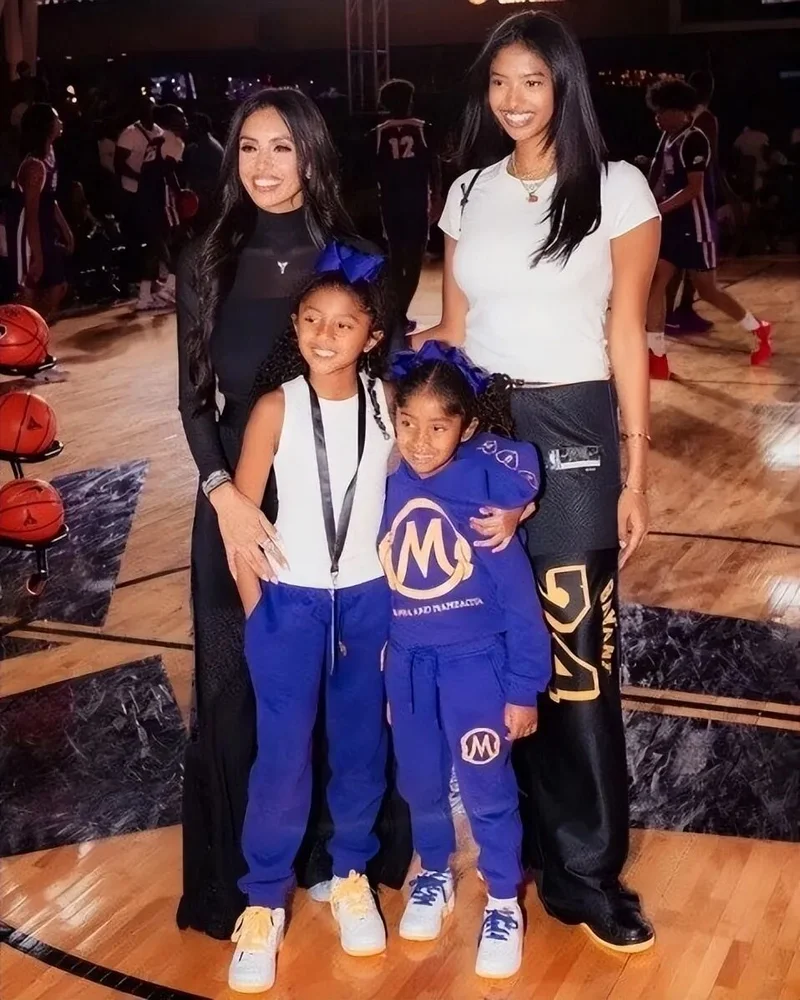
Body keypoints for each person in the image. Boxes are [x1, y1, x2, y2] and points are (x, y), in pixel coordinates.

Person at [415, 10, 660, 953]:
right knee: (490, 649)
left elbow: (626, 331)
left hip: (574, 429)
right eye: (499, 83)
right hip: (483, 427)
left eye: (532, 81)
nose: (513, 100)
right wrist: (350, 350)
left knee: (578, 658)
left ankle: (587, 871)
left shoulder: (617, 187)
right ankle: (511, 855)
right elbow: (452, 328)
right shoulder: (468, 190)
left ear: (564, 86)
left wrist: (636, 467)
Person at [176, 87, 414, 946]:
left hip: (341, 507)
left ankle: (340, 866)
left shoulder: (359, 259)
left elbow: (393, 394)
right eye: (248, 147)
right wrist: (225, 498)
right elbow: (193, 401)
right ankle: (246, 890)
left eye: (282, 146)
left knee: (350, 703)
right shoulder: (207, 258)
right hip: (237, 497)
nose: (264, 165)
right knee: (240, 696)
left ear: (312, 154)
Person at [380, 342, 550, 979]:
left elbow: (520, 602)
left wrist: (524, 688)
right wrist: (390, 675)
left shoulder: (485, 498)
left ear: (467, 428)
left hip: (476, 669)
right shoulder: (390, 485)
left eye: (438, 427)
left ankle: (503, 898)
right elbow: (388, 581)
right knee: (420, 783)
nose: (420, 442)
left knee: (486, 788)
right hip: (409, 668)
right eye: (407, 424)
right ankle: (433, 872)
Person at [646, 80, 772, 377]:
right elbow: (663, 182)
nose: (657, 116)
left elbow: (693, 189)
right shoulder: (668, 139)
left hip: (696, 226)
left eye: (663, 110)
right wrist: (647, 201)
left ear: (680, 111)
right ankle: (657, 356)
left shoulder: (695, 139)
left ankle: (758, 327)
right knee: (656, 284)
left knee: (708, 290)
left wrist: (659, 209)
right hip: (673, 226)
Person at [373, 79, 434, 333]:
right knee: (414, 259)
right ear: (408, 101)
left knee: (397, 259)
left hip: (391, 203)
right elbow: (434, 168)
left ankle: (396, 315)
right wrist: (437, 198)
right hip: (416, 202)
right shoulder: (422, 128)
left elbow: (373, 172)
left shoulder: (378, 132)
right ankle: (400, 314)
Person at [6, 103, 73, 320]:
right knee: (28, 291)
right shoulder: (34, 166)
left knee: (58, 286)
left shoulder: (50, 156)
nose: (60, 122)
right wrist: (37, 255)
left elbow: (49, 200)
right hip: (27, 234)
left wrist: (66, 230)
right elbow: (31, 214)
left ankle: (35, 332)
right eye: (56, 118)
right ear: (46, 126)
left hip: (44, 230)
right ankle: (19, 334)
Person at [666, 70, 720, 335]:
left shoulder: (677, 123)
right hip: (695, 194)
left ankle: (670, 313)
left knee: (675, 261)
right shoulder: (704, 120)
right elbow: (710, 162)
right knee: (690, 260)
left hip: (679, 192)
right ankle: (681, 310)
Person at [115, 95, 172, 310]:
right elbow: (118, 164)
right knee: (137, 239)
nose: (150, 111)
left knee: (155, 237)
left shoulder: (159, 132)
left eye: (152, 107)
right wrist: (141, 177)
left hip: (153, 193)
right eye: (147, 107)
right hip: (132, 192)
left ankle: (151, 284)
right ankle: (130, 282)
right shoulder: (129, 133)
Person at [184, 112, 224, 231]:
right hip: (210, 196)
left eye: (192, 126)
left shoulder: (205, 148)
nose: (188, 129)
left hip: (207, 198)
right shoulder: (207, 143)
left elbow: (195, 176)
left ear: (199, 129)